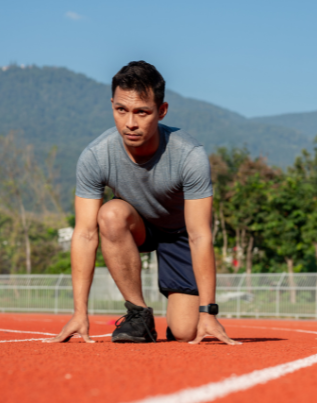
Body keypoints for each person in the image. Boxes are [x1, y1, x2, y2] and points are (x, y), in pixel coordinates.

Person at [45, 61, 239, 345]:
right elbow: (85, 234)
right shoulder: (96, 156)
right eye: (121, 110)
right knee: (110, 214)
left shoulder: (189, 155)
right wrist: (79, 312)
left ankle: (180, 315)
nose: (130, 123)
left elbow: (200, 235)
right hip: (137, 226)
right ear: (112, 105)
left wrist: (208, 312)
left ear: (162, 111)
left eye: (142, 112)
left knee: (186, 332)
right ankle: (138, 314)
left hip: (180, 234)